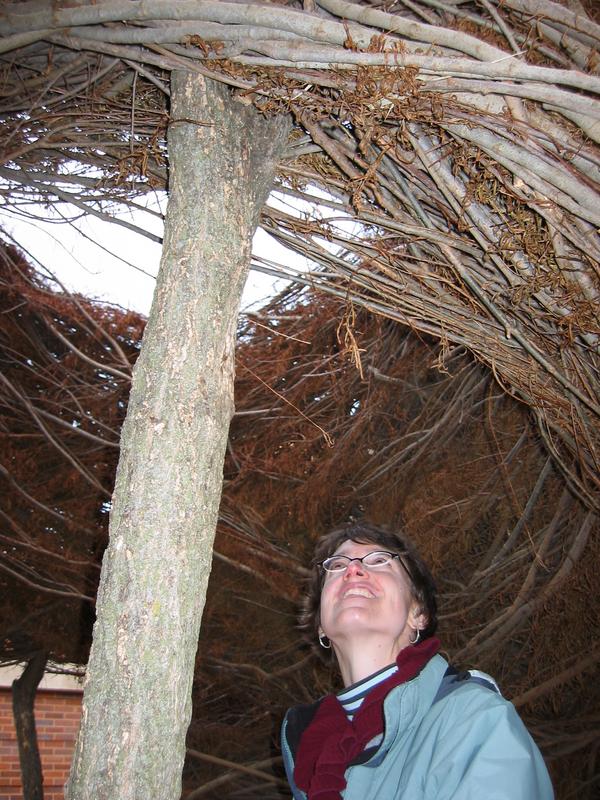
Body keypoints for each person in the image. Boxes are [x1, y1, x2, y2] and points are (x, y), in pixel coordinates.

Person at [281, 522, 554, 799]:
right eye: (337, 566)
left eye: (379, 560)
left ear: (418, 614)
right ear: (321, 626)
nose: (353, 569)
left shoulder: (472, 719)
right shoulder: (308, 760)